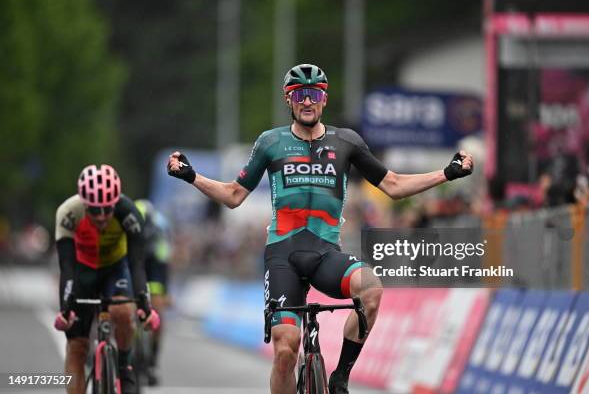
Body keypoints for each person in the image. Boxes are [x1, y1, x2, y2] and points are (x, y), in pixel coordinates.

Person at [167, 64, 473, 394]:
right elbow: (233, 195)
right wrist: (191, 176)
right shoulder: (271, 142)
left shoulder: (346, 141)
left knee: (371, 290)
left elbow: (394, 185)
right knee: (286, 350)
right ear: (289, 101)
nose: (308, 101)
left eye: (314, 94)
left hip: (326, 254)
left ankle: (340, 375)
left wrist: (447, 173)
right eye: (300, 95)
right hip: (283, 254)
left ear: (324, 100)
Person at [54, 164, 160, 394]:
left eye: (107, 209)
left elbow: (137, 264)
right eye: (94, 210)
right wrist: (66, 308)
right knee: (77, 348)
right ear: (84, 203)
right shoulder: (68, 213)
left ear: (116, 202)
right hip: (82, 270)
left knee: (122, 312)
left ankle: (124, 364)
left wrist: (145, 305)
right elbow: (67, 266)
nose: (101, 217)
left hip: (116, 268)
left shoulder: (129, 212)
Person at [134, 199, 173, 385]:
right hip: (135, 263)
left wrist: (164, 293)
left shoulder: (160, 230)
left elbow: (163, 265)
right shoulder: (127, 223)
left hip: (154, 266)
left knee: (157, 310)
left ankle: (152, 362)